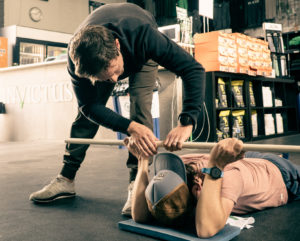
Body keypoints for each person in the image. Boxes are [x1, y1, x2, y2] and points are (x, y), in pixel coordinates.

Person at [29, 2, 205, 216]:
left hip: (140, 53)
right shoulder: (78, 59)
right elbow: (88, 106)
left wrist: (187, 122)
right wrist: (128, 127)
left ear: (118, 46)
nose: (114, 80)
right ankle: (66, 179)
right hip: (104, 57)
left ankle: (135, 183)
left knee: (141, 107)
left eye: (114, 71)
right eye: (105, 78)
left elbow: (193, 69)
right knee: (86, 117)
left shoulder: (145, 36)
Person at [126, 137, 300, 238]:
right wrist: (142, 163)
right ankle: (273, 157)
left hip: (271, 170)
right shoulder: (223, 176)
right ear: (198, 187)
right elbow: (206, 229)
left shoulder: (184, 164)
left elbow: (140, 216)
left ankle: (273, 157)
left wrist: (143, 158)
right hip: (270, 173)